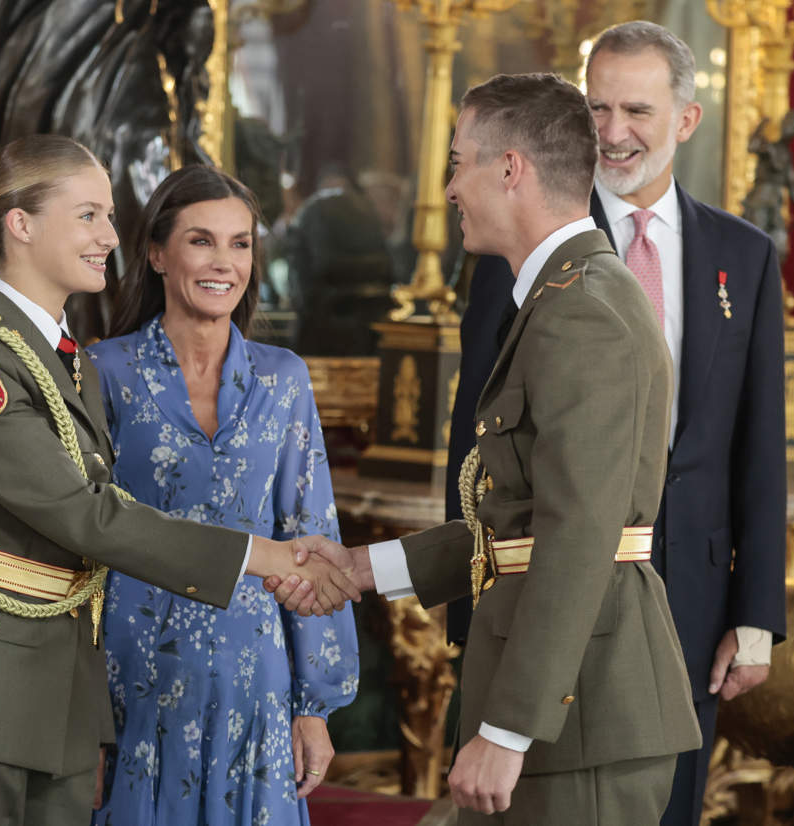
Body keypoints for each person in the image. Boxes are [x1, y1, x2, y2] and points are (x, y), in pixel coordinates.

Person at [0, 134, 357, 826]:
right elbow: (84, 516)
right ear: (21, 224)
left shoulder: (65, 365)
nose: (108, 237)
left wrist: (313, 695)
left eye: (110, 217)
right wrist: (265, 556)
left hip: (66, 684)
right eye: (89, 215)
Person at [281, 72, 701, 824]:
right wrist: (357, 568)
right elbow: (514, 530)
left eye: (456, 161)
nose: (447, 189)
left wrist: (508, 730)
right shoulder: (563, 298)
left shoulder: (583, 311)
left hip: (578, 717)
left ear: (511, 169)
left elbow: (578, 534)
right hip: (561, 707)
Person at [446, 22, 788, 826]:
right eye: (596, 107)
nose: (612, 132)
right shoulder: (518, 246)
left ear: (686, 120)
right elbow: (478, 439)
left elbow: (757, 444)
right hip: (538, 594)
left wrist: (757, 611)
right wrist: (470, 604)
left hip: (695, 597)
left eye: (636, 109)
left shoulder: (745, 252)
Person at [87, 165, 359, 825]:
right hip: (135, 673)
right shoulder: (103, 370)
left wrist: (311, 707)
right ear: (156, 253)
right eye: (202, 241)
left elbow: (311, 537)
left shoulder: (284, 379)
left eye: (240, 244)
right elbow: (83, 531)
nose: (224, 262)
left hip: (256, 675)